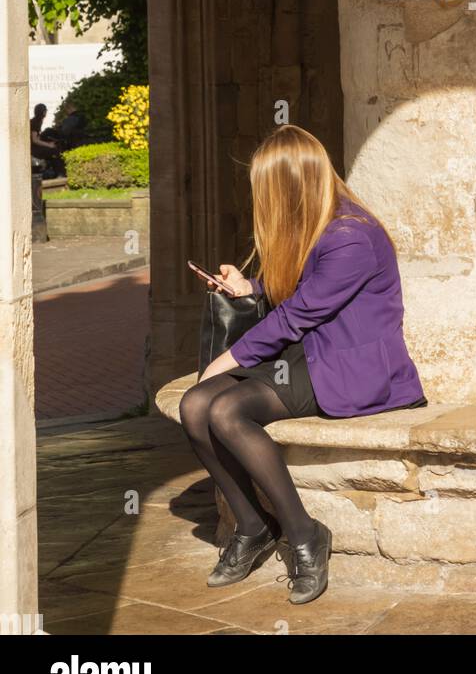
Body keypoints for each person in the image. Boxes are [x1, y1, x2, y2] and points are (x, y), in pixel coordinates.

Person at [179, 125, 427, 606]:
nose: (261, 200)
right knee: (194, 406)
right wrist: (249, 287)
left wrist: (226, 360)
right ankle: (252, 527)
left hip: (352, 368)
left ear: (291, 185)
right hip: (311, 357)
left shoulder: (351, 236)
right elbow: (301, 288)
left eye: (267, 190)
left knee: (227, 411)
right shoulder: (321, 224)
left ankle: (305, 533)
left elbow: (298, 314)